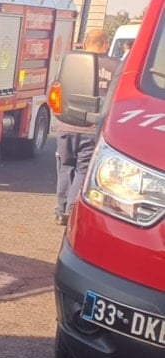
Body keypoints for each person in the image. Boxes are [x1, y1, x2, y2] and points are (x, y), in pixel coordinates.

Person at [54, 28, 119, 225]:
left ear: (84, 44)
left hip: (66, 126)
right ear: (106, 44)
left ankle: (60, 209)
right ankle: (72, 208)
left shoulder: (69, 62)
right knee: (83, 169)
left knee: (65, 167)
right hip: (92, 129)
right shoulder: (116, 67)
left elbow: (56, 91)